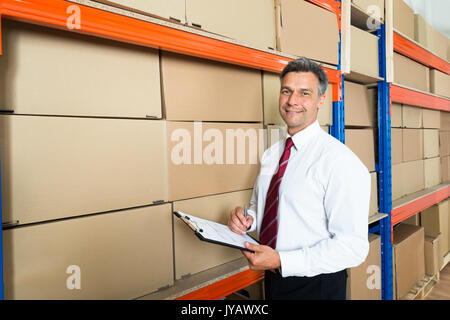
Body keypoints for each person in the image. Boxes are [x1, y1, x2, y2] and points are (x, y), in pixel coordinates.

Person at [228, 57, 370, 300]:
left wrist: (283, 260)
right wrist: (248, 220)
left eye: (304, 93)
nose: (293, 101)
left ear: (321, 100)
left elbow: (352, 248)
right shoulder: (272, 154)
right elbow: (263, 206)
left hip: (317, 285)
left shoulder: (339, 161)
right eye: (287, 91)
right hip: (273, 275)